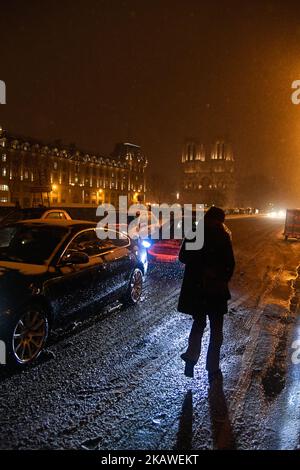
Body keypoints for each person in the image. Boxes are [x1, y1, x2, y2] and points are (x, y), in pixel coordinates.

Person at [178, 206, 235, 384]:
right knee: (216, 330)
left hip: (198, 289)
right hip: (216, 291)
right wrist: (220, 277)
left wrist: (198, 266)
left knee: (199, 324)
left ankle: (191, 358)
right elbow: (230, 265)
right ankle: (212, 367)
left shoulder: (195, 233)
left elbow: (183, 257)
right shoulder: (224, 237)